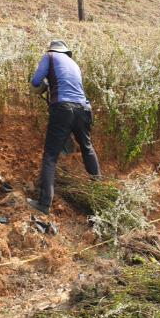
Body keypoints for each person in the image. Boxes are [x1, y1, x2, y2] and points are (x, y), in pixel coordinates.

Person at [27, 40, 101, 215]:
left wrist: (45, 85)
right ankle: (99, 190)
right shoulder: (74, 64)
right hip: (83, 109)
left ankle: (44, 203)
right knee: (87, 147)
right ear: (66, 52)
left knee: (50, 156)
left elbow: (36, 81)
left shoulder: (50, 56)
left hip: (63, 109)